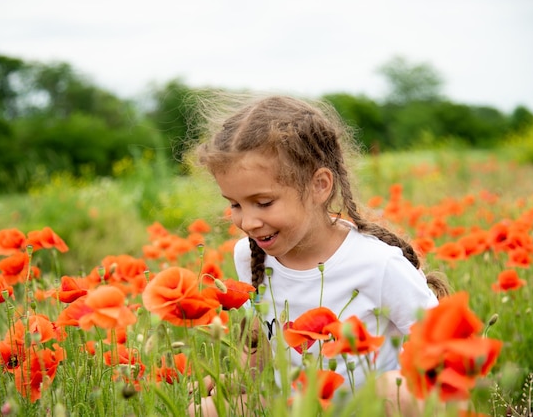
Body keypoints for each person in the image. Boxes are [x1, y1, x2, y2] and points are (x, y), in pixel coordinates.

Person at [190, 94, 451, 416]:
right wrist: (237, 378)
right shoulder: (248, 255)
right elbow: (265, 340)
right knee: (205, 409)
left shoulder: (377, 264)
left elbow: (442, 351)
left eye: (264, 202)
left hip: (366, 408)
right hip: (293, 406)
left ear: (319, 185)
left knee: (397, 393)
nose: (248, 221)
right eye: (235, 204)